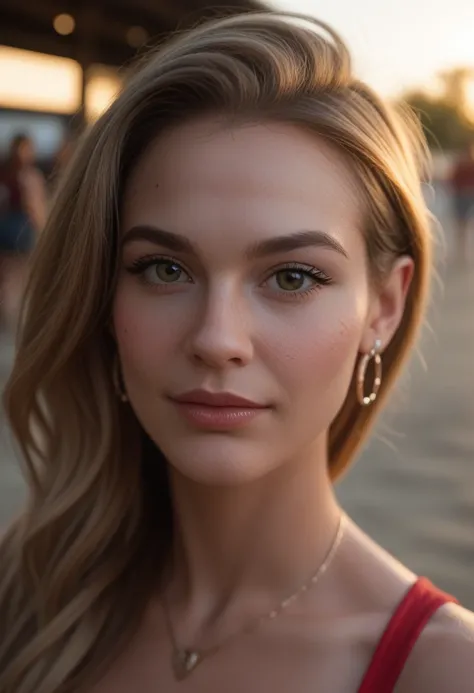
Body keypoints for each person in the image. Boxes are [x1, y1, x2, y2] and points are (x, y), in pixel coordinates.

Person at [0, 11, 473, 693]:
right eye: (165, 268)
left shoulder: (444, 671)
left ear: (385, 305)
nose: (217, 338)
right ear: (105, 295)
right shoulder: (26, 597)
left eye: (292, 277)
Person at [0, 134, 47, 327]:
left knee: (6, 275)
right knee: (19, 276)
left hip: (4, 229)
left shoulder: (5, 173)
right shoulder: (30, 176)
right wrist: (43, 230)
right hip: (21, 231)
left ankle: (6, 315)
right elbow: (35, 207)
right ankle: (12, 317)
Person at [449, 141, 474, 262]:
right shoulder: (467, 164)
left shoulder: (461, 164)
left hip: (464, 196)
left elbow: (452, 179)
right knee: (463, 225)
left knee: (462, 225)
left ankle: (462, 251)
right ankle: (463, 252)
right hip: (466, 196)